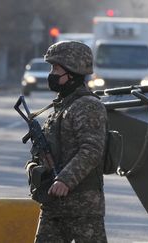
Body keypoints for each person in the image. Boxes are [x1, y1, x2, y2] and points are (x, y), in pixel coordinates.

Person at [30, 41, 108, 243]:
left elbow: (92, 150)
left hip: (83, 208)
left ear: (72, 72)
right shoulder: (61, 107)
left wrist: (65, 179)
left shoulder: (87, 106)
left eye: (56, 68)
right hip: (53, 205)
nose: (52, 74)